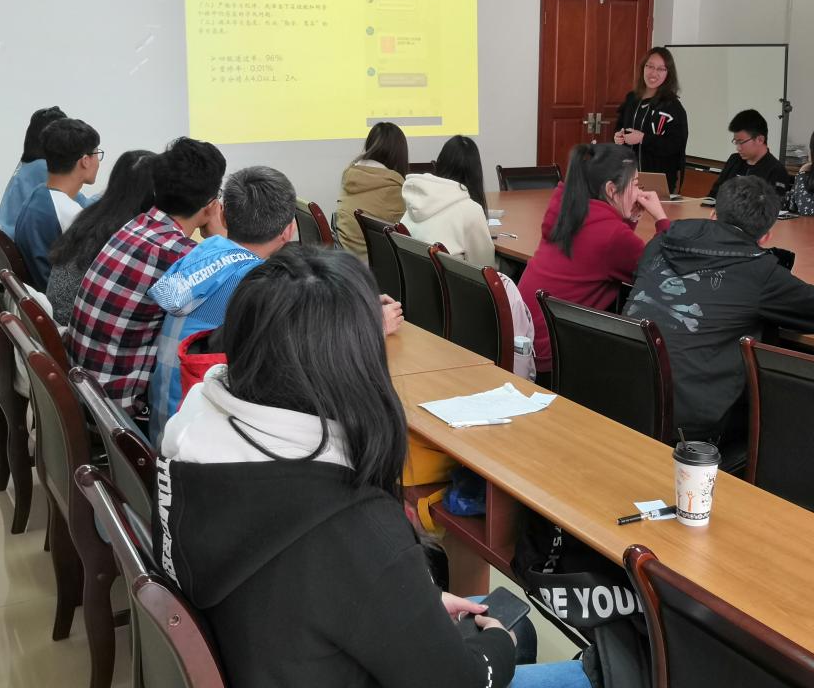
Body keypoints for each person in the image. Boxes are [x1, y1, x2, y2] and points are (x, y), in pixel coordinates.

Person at [155, 244, 592, 688]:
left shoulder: (190, 444)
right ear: (357, 361)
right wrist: (498, 643)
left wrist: (406, 602)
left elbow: (311, 585)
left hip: (273, 652)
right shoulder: (352, 522)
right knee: (560, 656)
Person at [625, 174, 814, 450]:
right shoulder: (761, 272)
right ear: (765, 237)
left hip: (624, 393)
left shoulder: (661, 242)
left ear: (713, 215)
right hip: (686, 425)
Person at [67, 137, 226, 418]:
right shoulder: (181, 256)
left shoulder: (136, 225)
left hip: (83, 389)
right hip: (118, 411)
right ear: (210, 204)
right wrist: (221, 241)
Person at [145, 166, 298, 441]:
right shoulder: (256, 282)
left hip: (163, 422)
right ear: (288, 231)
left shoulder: (205, 252)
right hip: (195, 438)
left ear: (223, 215)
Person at [517, 143, 668, 384]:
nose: (639, 192)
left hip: (524, 338)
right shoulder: (611, 237)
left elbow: (604, 251)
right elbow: (662, 272)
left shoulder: (567, 209)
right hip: (553, 358)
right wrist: (661, 219)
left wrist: (629, 219)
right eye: (635, 184)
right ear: (611, 189)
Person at [46, 149, 155, 325]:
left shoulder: (94, 214)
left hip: (60, 320)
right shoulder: (126, 233)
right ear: (153, 191)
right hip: (73, 325)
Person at [14, 118, 101, 287]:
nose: (98, 162)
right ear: (85, 161)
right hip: (56, 299)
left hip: (38, 292)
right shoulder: (70, 214)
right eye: (98, 154)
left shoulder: (38, 194)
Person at [401, 135, 494, 266]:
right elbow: (485, 265)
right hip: (450, 278)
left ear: (440, 163)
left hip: (415, 276)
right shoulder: (471, 210)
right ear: (476, 172)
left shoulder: (417, 199)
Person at [613, 47, 689, 194]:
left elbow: (675, 145)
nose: (654, 73)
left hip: (657, 179)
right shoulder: (631, 99)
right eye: (650, 66)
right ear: (643, 68)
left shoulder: (672, 106)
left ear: (668, 73)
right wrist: (618, 137)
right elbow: (620, 127)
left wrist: (643, 138)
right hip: (627, 175)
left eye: (661, 69)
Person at [336, 121, 408, 260]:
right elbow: (408, 238)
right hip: (373, 267)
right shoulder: (393, 188)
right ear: (399, 154)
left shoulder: (352, 175)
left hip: (348, 261)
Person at [0, 105, 68, 239]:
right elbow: (79, 208)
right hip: (16, 243)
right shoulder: (44, 168)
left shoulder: (29, 164)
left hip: (6, 240)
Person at [707, 109, 792, 200]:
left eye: (741, 142)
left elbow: (772, 206)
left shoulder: (776, 171)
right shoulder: (734, 160)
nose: (738, 148)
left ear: (760, 140)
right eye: (736, 142)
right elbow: (714, 194)